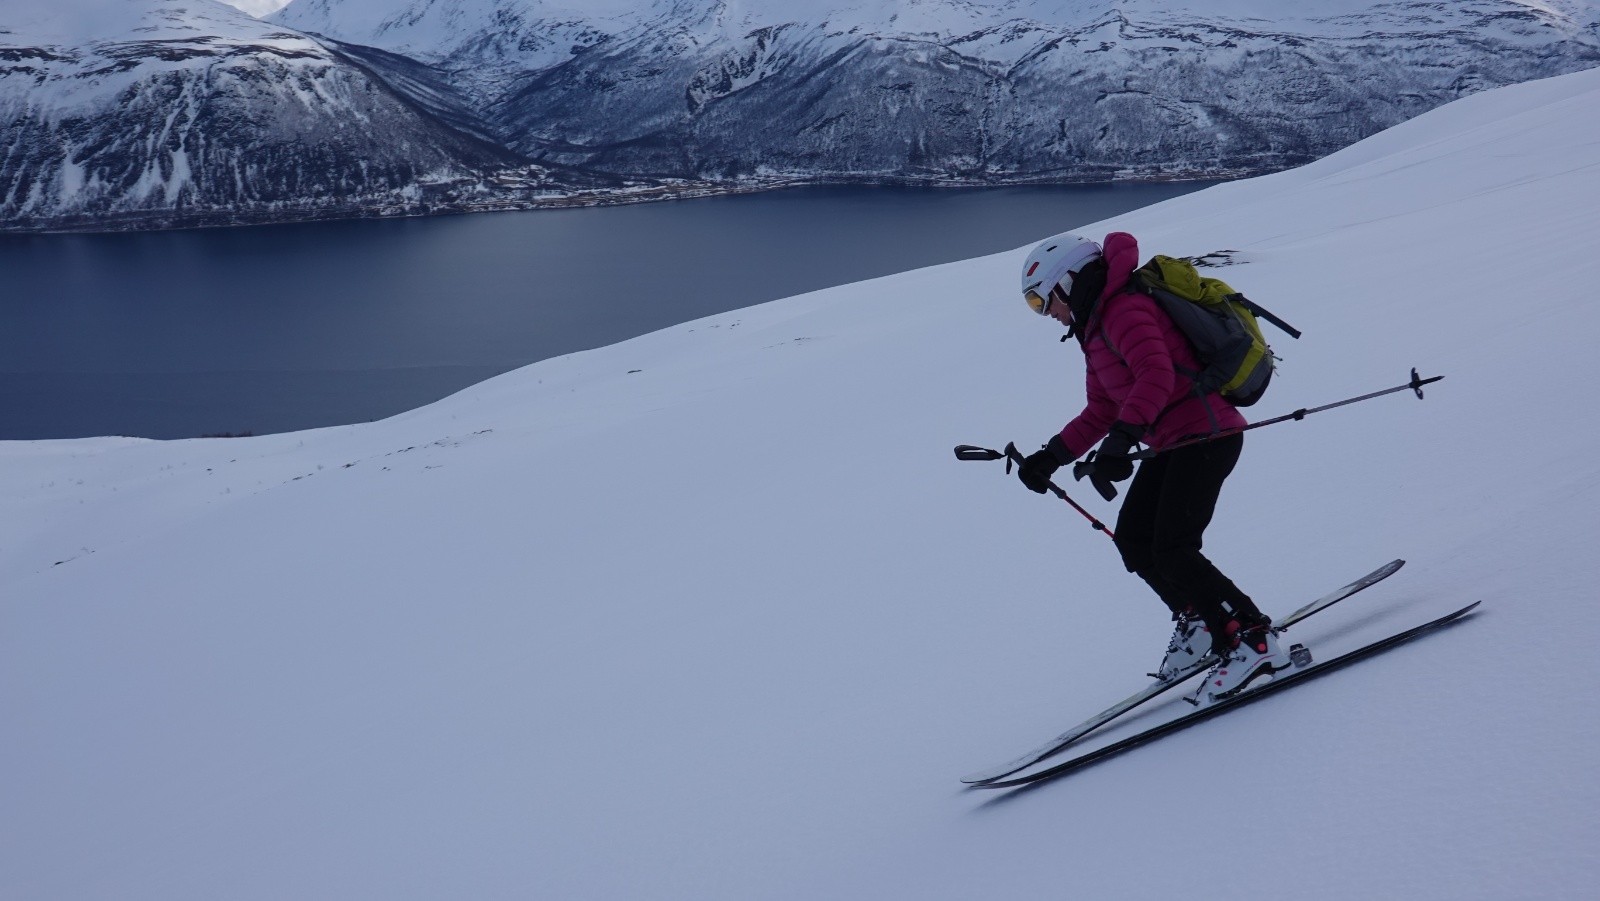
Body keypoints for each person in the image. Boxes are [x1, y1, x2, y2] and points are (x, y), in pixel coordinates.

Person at [1012, 230, 1288, 700]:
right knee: (1137, 542)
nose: (1046, 313)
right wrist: (1051, 456)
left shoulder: (1124, 309)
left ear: (1068, 281)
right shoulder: (1095, 329)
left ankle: (1253, 639)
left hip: (1206, 433)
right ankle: (1202, 623)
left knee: (1174, 547)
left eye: (1042, 302)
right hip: (1173, 441)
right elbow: (1101, 409)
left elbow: (1156, 374)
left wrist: (1123, 440)